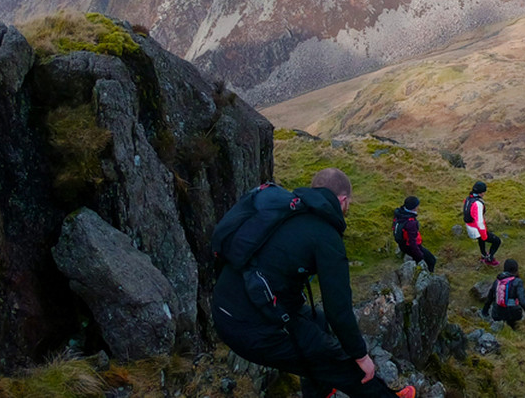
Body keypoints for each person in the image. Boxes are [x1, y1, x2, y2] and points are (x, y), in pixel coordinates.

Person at [212, 168, 415, 398]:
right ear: (343, 200)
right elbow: (338, 309)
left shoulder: (287, 210)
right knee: (340, 364)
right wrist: (361, 355)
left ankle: (320, 391)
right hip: (249, 325)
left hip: (230, 302)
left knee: (318, 322)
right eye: (348, 204)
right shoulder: (326, 237)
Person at [480, 258, 525, 329]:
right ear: (516, 270)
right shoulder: (517, 281)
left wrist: (484, 312)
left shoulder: (497, 281)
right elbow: (523, 302)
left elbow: (489, 299)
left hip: (497, 315)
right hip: (513, 315)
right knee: (514, 320)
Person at [392, 195, 436, 272]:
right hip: (411, 247)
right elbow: (413, 243)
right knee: (431, 260)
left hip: (402, 245)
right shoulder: (411, 223)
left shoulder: (399, 214)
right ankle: (427, 276)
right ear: (414, 207)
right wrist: (420, 255)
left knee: (421, 260)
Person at [463, 181, 501, 266]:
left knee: (481, 240)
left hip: (469, 226)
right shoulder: (478, 203)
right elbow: (479, 222)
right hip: (475, 228)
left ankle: (484, 255)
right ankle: (490, 258)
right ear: (481, 193)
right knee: (497, 241)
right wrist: (484, 234)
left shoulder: (468, 198)